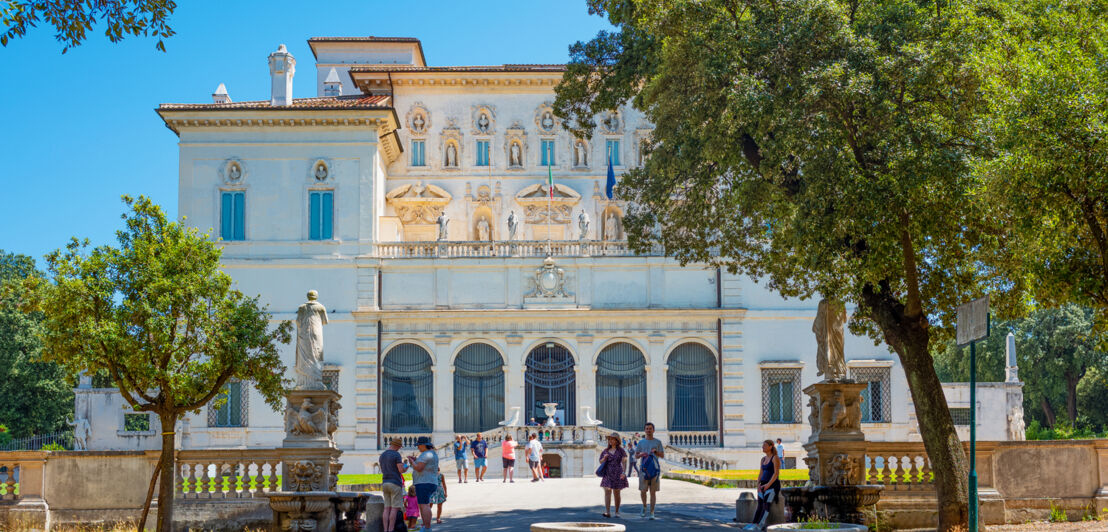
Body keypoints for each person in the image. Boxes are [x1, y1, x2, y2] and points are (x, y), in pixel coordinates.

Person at [746, 440, 782, 531]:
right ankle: (753, 524)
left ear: (771, 446)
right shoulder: (763, 459)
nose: (763, 447)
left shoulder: (775, 458)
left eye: (765, 445)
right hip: (762, 486)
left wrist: (768, 485)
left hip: (772, 486)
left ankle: (759, 525)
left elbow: (776, 474)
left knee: (766, 506)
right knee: (759, 506)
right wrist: (758, 485)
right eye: (763, 445)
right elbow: (761, 473)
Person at [407, 436, 439, 532]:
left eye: (419, 445)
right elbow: (422, 466)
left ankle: (427, 527)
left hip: (424, 482)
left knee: (424, 505)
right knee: (423, 504)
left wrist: (412, 462)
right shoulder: (430, 454)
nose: (418, 447)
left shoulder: (426, 454)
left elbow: (419, 468)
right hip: (427, 482)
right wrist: (416, 460)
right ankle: (426, 526)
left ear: (423, 445)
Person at [634, 422, 664, 520]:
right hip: (644, 470)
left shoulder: (658, 442)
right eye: (647, 428)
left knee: (653, 492)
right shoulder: (641, 442)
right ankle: (644, 506)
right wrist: (641, 454)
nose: (648, 430)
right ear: (644, 430)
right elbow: (636, 455)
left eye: (650, 428)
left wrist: (656, 452)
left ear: (653, 430)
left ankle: (652, 512)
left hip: (654, 469)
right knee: (643, 491)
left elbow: (662, 455)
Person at [379, 438, 408, 532]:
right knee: (394, 509)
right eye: (399, 447)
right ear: (397, 446)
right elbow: (401, 470)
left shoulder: (382, 455)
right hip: (395, 483)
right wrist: (406, 467)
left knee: (386, 508)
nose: (399, 448)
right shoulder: (396, 454)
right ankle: (391, 529)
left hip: (385, 482)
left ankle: (385, 529)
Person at [599, 433, 629, 518]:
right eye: (610, 439)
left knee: (617, 493)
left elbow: (624, 462)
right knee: (607, 492)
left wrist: (624, 472)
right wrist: (604, 458)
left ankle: (617, 511)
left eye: (612, 439)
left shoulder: (621, 451)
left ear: (617, 441)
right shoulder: (605, 451)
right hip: (608, 473)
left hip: (618, 472)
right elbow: (600, 462)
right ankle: (608, 512)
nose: (611, 441)